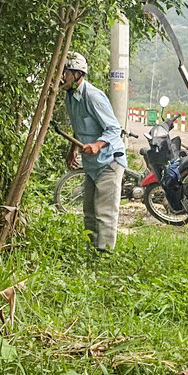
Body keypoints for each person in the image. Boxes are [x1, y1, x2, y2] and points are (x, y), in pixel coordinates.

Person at [62, 51, 127, 253]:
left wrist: (98, 145)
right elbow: (79, 126)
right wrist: (73, 149)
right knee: (89, 212)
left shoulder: (93, 96)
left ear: (77, 73)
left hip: (108, 161)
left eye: (64, 72)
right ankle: (92, 253)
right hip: (92, 164)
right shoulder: (71, 97)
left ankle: (105, 256)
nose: (61, 76)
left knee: (104, 214)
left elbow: (114, 129)